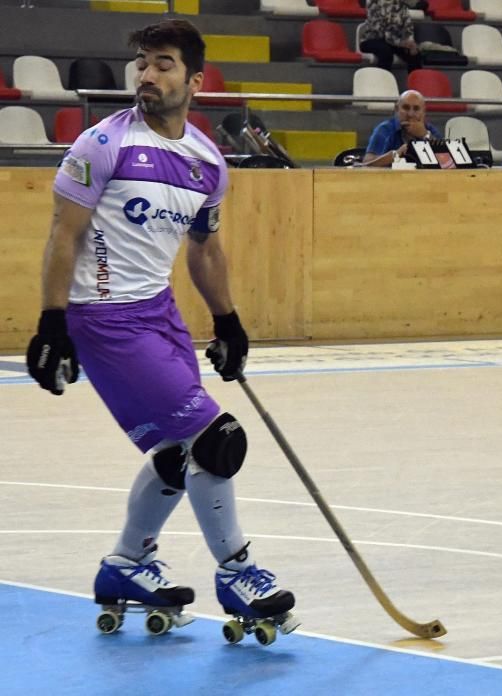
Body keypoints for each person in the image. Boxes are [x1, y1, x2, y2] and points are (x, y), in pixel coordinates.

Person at [25, 19, 298, 636]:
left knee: (177, 455)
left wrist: (228, 320)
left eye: (164, 64)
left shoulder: (206, 161)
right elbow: (62, 235)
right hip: (103, 320)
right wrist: (51, 325)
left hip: (160, 314)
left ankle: (126, 563)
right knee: (217, 440)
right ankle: (238, 572)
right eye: (143, 63)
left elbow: (204, 248)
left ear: (195, 79)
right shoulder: (101, 145)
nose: (148, 75)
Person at [362, 89, 442, 167]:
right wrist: (396, 154)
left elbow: (447, 161)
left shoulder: (429, 130)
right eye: (406, 108)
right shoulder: (385, 130)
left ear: (424, 112)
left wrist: (425, 135)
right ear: (397, 109)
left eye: (416, 109)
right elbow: (366, 163)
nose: (410, 114)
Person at [358, 0, 422, 73]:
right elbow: (385, 33)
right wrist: (401, 43)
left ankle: (416, 83)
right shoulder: (374, 2)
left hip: (394, 40)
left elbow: (408, 26)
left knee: (415, 54)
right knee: (386, 52)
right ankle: (382, 82)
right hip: (372, 39)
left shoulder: (401, 5)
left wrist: (411, 42)